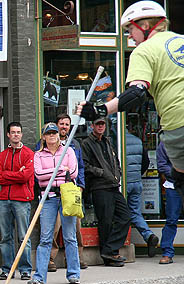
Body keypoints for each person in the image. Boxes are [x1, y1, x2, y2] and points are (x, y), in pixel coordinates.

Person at [78, 1, 184, 206]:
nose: (129, 37)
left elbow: (136, 93)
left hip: (178, 125)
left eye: (130, 29)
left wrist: (100, 110)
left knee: (180, 180)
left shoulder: (144, 51)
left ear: (145, 26)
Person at [30, 123, 80, 284]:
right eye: (48, 133)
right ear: (44, 137)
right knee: (45, 238)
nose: (52, 136)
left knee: (70, 236)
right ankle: (39, 277)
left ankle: (73, 274)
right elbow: (38, 175)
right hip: (48, 196)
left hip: (66, 196)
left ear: (59, 135)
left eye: (54, 133)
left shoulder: (68, 151)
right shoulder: (38, 155)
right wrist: (60, 170)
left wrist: (53, 171)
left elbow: (72, 173)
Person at [80, 118, 130, 267]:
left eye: (103, 124)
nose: (101, 126)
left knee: (125, 216)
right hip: (99, 187)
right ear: (92, 125)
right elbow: (85, 165)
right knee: (106, 221)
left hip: (113, 185)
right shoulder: (86, 143)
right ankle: (109, 256)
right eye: (98, 124)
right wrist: (101, 173)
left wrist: (118, 173)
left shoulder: (107, 141)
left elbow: (115, 161)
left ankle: (110, 250)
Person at [41, 114, 87, 271]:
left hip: (70, 192)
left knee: (74, 231)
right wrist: (60, 170)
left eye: (67, 124)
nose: (64, 127)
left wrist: (80, 185)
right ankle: (50, 259)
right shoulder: (42, 147)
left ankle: (75, 261)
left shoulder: (74, 144)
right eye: (61, 124)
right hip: (51, 194)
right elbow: (40, 172)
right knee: (52, 229)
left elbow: (77, 168)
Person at [0, 122, 35, 281]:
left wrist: (7, 175)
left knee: (24, 236)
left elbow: (25, 177)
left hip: (22, 200)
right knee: (5, 237)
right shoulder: (2, 155)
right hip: (4, 200)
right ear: (8, 135)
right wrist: (16, 174)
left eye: (18, 132)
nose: (16, 135)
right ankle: (7, 269)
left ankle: (25, 269)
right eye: (13, 132)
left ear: (21, 134)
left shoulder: (29, 154)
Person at [125, 130, 159, 256]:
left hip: (124, 183)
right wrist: (138, 175)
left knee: (121, 213)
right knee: (135, 213)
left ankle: (121, 241)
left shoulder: (117, 140)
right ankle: (149, 235)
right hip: (137, 182)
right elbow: (146, 162)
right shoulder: (138, 141)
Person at [157, 141, 182, 265]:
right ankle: (167, 252)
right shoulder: (165, 143)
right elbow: (161, 165)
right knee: (171, 220)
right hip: (173, 186)